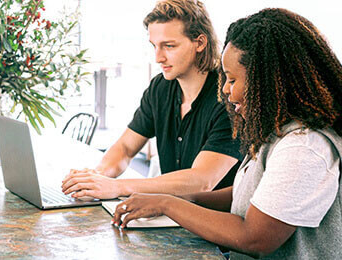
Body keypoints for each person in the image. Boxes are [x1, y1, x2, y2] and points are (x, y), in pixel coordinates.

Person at [112, 8, 342, 259]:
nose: (226, 91)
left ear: (266, 81)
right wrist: (182, 198)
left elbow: (255, 237)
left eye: (232, 80)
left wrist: (168, 203)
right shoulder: (279, 131)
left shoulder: (304, 147)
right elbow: (253, 194)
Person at [61, 0, 242, 199]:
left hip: (212, 221)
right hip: (169, 215)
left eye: (169, 46)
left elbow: (202, 180)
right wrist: (96, 177)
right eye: (155, 46)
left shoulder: (229, 97)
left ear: (199, 43)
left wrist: (117, 187)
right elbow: (126, 148)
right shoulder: (160, 88)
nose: (158, 57)